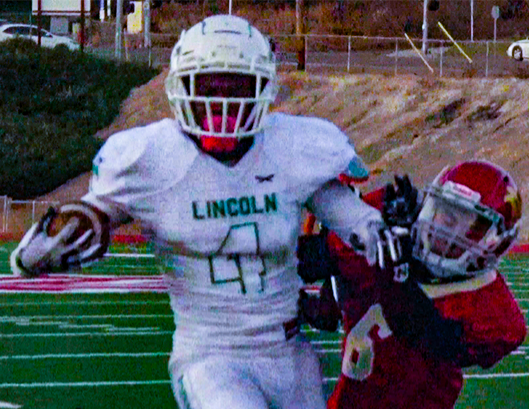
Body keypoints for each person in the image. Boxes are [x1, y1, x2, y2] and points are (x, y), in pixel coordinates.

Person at [9, 15, 403, 409]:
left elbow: (356, 222)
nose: (222, 104)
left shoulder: (292, 146)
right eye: (209, 88)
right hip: (211, 357)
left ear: (263, 88)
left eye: (236, 88)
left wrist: (394, 236)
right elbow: (91, 215)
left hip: (291, 354)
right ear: (181, 87)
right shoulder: (153, 157)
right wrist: (62, 232)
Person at [298, 160, 527, 409]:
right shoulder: (387, 221)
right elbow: (312, 259)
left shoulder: (496, 315)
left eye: (469, 226)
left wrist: (395, 265)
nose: (443, 231)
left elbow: (423, 332)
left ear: (495, 243)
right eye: (446, 214)